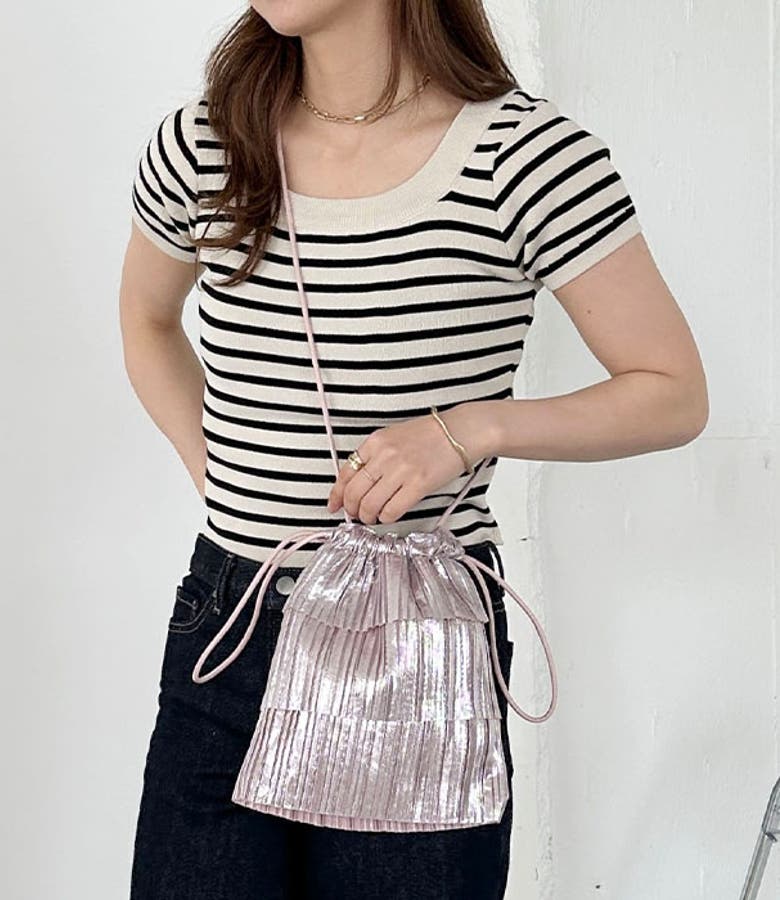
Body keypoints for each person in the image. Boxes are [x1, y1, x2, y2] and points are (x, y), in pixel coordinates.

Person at [119, 2, 708, 897]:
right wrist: (222, 475)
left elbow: (672, 391)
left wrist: (469, 429)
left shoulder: (524, 157)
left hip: (416, 649)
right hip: (231, 627)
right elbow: (147, 319)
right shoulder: (205, 144)